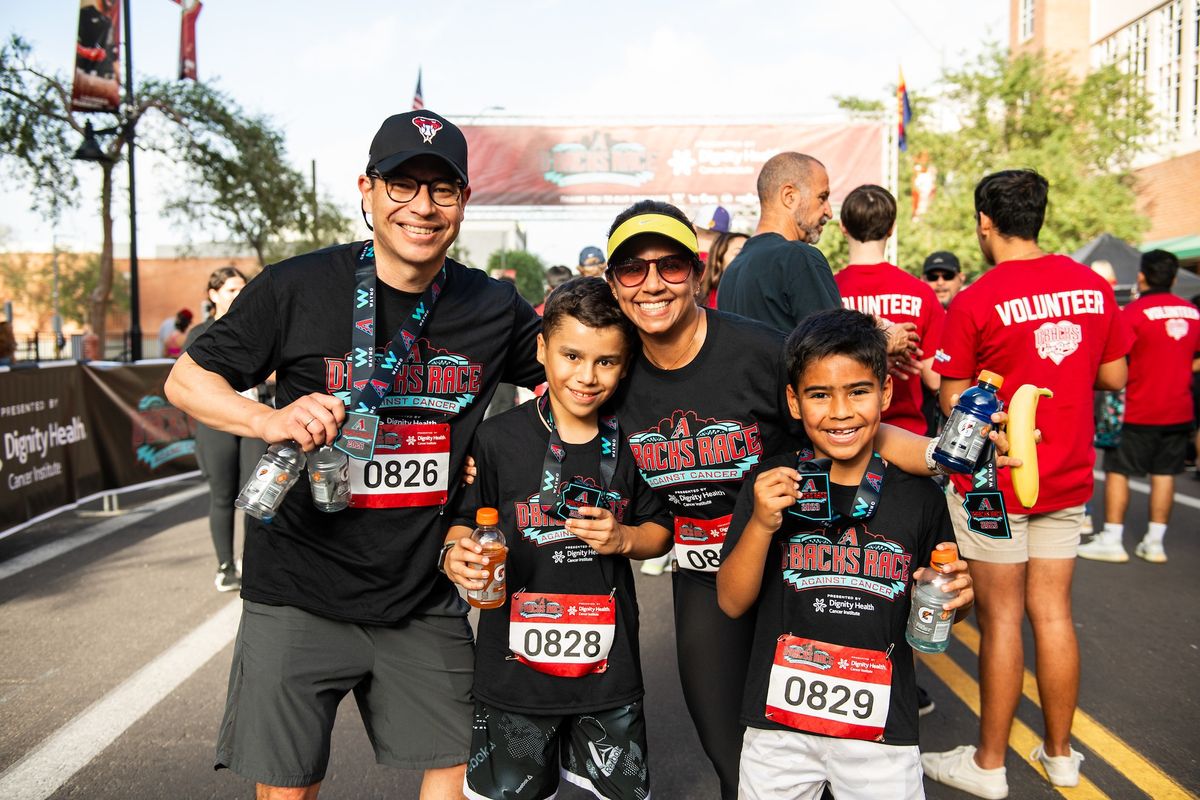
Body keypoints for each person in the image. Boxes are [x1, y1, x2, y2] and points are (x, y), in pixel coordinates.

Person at [165, 109, 544, 799]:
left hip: (422, 590)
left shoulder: (493, 306)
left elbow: (570, 386)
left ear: (463, 202)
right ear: (366, 190)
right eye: (402, 184)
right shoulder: (297, 286)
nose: (421, 207)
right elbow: (186, 379)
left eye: (443, 189)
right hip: (299, 589)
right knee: (287, 786)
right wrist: (268, 417)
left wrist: (493, 461)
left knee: (461, 766)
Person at [601, 199, 991, 799]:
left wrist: (947, 453)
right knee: (737, 760)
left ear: (700, 272)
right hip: (711, 576)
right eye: (632, 269)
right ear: (613, 282)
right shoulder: (614, 368)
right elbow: (553, 413)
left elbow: (841, 417)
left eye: (671, 266)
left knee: (838, 747)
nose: (653, 283)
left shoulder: (762, 349)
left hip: (801, 559)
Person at [923, 169, 1131, 798]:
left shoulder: (978, 299)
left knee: (1003, 619)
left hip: (994, 485)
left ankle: (989, 765)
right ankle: (1062, 755)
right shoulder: (1093, 287)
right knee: (1053, 613)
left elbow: (955, 397)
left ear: (985, 225)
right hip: (1066, 476)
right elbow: (1116, 377)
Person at [718, 308, 974, 800]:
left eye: (857, 391)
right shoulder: (772, 484)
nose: (839, 412)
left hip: (882, 731)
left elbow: (948, 601)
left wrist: (960, 599)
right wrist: (761, 525)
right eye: (819, 394)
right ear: (794, 402)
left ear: (886, 393)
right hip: (779, 729)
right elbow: (731, 602)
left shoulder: (918, 496)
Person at [444, 277, 672, 800]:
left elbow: (659, 532)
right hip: (513, 676)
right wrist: (459, 553)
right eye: (571, 355)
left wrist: (624, 539)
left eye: (606, 361)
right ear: (542, 348)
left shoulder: (637, 441)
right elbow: (460, 520)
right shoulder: (497, 438)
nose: (587, 376)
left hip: (608, 674)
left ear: (626, 361)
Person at [1079, 249, 1200, 563]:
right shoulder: (1192, 312)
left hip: (1137, 407)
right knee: (1165, 473)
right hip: (1179, 408)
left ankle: (1113, 538)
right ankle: (1155, 542)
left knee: (1118, 471)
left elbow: (1112, 358)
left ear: (1142, 276)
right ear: (1173, 277)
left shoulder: (1133, 313)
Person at [182, 266, 267, 592]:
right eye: (232, 289)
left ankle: (252, 561)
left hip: (252, 419)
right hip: (216, 423)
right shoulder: (200, 333)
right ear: (213, 294)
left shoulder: (258, 327)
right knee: (222, 496)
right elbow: (192, 379)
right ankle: (225, 566)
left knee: (254, 495)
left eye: (243, 288)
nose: (239, 295)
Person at [835, 184, 945, 436]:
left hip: (845, 432)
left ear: (843, 226)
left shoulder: (829, 291)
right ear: (891, 228)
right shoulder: (920, 293)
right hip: (907, 435)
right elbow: (934, 379)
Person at [716, 152, 840, 332]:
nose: (829, 212)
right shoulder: (798, 257)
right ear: (789, 196)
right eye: (822, 197)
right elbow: (835, 347)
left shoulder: (731, 273)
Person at [699, 231, 748, 309]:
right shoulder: (694, 294)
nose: (746, 259)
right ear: (719, 258)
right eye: (739, 253)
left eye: (750, 254)